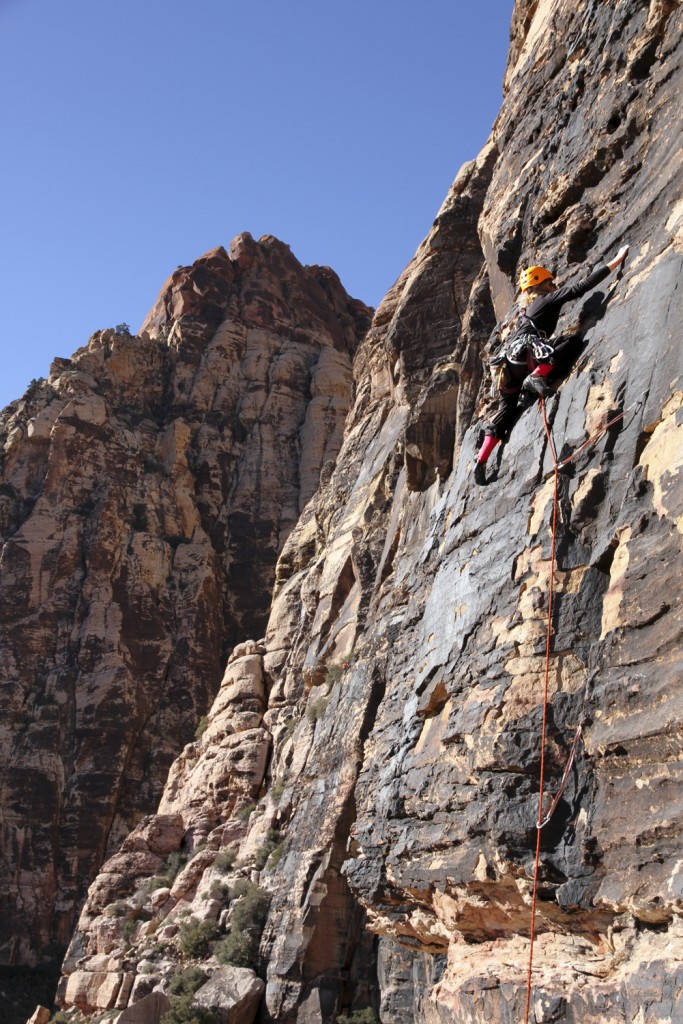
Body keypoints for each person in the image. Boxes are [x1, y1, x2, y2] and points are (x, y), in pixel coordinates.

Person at [473, 246, 629, 484]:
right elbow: (580, 288)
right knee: (570, 343)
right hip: (528, 356)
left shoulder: (526, 311)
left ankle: (481, 460)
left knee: (505, 412)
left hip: (508, 367)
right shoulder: (546, 299)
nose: (555, 287)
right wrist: (616, 261)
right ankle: (538, 375)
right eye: (552, 283)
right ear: (544, 284)